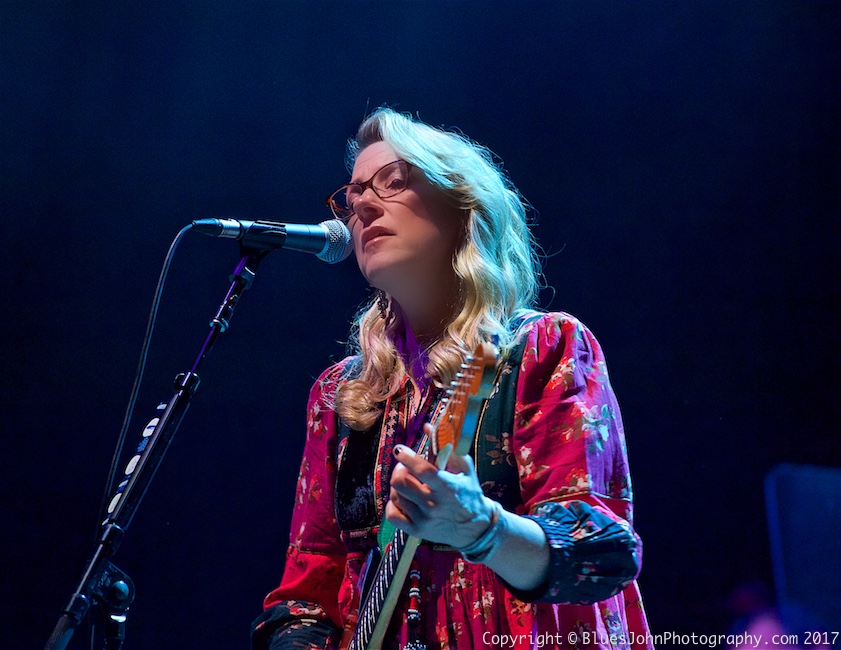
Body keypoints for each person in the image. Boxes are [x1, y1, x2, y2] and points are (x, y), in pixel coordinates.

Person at [251, 108, 652, 650]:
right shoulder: (340, 396)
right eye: (352, 196)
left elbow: (598, 553)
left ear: (462, 206)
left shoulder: (541, 349)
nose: (362, 205)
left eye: (392, 181)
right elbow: (308, 587)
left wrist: (481, 528)